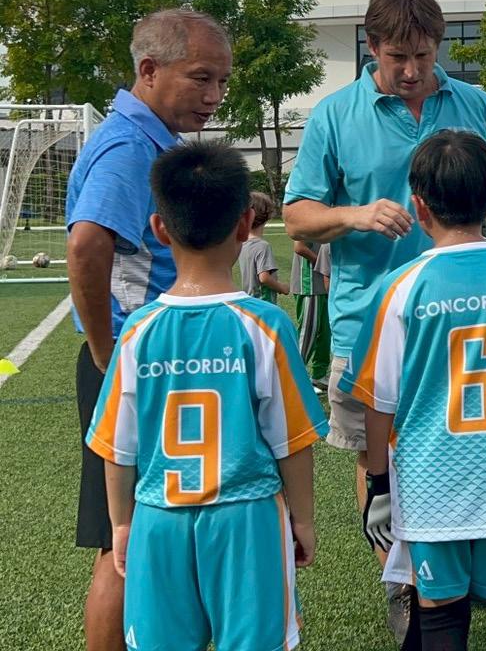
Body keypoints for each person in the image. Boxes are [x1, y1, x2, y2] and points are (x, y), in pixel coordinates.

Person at [282, 0, 486, 626]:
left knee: (481, 443)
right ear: (371, 48)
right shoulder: (335, 115)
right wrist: (355, 215)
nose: (413, 71)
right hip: (372, 321)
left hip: (475, 316)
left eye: (424, 55)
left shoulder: (473, 103)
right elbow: (297, 217)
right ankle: (401, 579)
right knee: (378, 455)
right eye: (398, 57)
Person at [85, 141, 327, 651]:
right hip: (247, 519)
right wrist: (303, 520)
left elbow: (117, 449)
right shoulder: (266, 325)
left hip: (159, 517)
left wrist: (122, 523)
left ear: (159, 228)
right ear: (245, 224)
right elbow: (292, 441)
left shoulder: (137, 331)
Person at [338, 130, 486, 651]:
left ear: (418, 207)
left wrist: (378, 482)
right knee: (454, 599)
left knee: (441, 609)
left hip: (431, 481)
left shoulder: (400, 287)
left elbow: (379, 401)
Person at [65, 9, 231, 651]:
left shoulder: (148, 139)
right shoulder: (129, 146)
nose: (214, 95)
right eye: (201, 78)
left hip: (151, 361)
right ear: (149, 70)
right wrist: (108, 352)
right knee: (122, 542)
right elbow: (87, 244)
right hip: (137, 366)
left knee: (148, 534)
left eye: (222, 81)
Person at [291, 239, 332, 390]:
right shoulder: (306, 223)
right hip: (309, 284)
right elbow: (299, 247)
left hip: (323, 283)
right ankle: (293, 376)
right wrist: (324, 264)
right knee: (308, 331)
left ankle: (319, 374)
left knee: (325, 333)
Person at [239, 192, 288, 303]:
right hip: (263, 301)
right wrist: (282, 287)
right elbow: (264, 278)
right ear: (268, 215)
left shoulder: (243, 244)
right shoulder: (262, 246)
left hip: (250, 301)